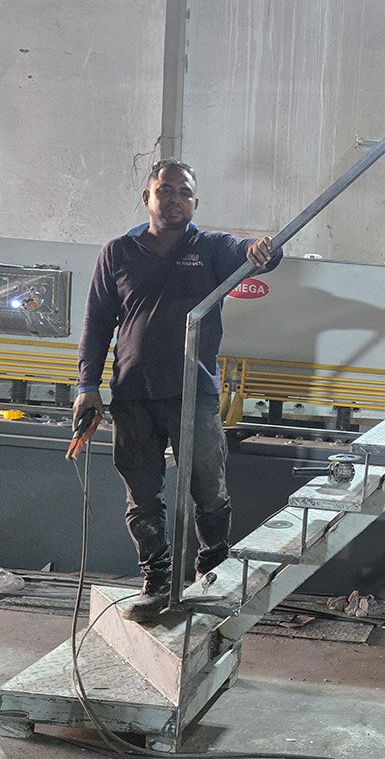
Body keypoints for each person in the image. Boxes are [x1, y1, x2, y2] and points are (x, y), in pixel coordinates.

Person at [73, 159, 280, 622]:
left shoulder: (210, 248)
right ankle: (157, 581)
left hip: (194, 391)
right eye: (165, 190)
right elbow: (97, 322)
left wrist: (264, 249)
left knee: (210, 490)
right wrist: (87, 385)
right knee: (143, 497)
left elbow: (252, 254)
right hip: (132, 394)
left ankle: (213, 575)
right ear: (147, 197)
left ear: (195, 202)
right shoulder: (118, 252)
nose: (174, 199)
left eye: (184, 192)